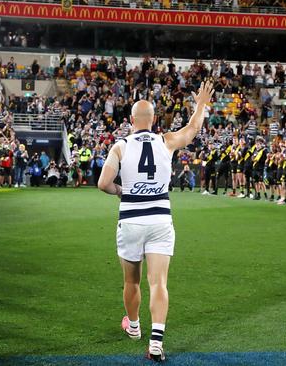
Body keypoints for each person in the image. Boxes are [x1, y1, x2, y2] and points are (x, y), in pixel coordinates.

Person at [97, 80, 213, 362]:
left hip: (132, 220)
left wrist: (120, 191)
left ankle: (134, 327)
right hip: (160, 219)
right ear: (154, 120)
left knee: (132, 281)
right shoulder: (166, 141)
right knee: (159, 283)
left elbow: (103, 183)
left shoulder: (120, 146)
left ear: (131, 121)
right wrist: (200, 105)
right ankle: (157, 342)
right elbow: (193, 129)